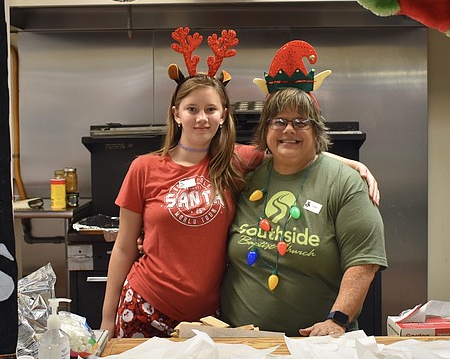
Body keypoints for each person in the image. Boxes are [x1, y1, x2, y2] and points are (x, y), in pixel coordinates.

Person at [101, 29, 380, 338]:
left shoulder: (233, 161)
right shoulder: (144, 167)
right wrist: (105, 321)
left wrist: (350, 164)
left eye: (211, 109)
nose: (201, 118)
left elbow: (289, 150)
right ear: (176, 114)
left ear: (223, 116)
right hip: (145, 303)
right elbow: (124, 248)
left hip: (208, 319)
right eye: (192, 109)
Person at [220, 86, 388, 337]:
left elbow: (364, 262)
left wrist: (337, 320)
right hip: (242, 343)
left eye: (301, 121)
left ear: (316, 130)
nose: (288, 129)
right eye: (278, 121)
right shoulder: (244, 175)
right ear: (265, 129)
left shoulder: (345, 183)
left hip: (316, 345)